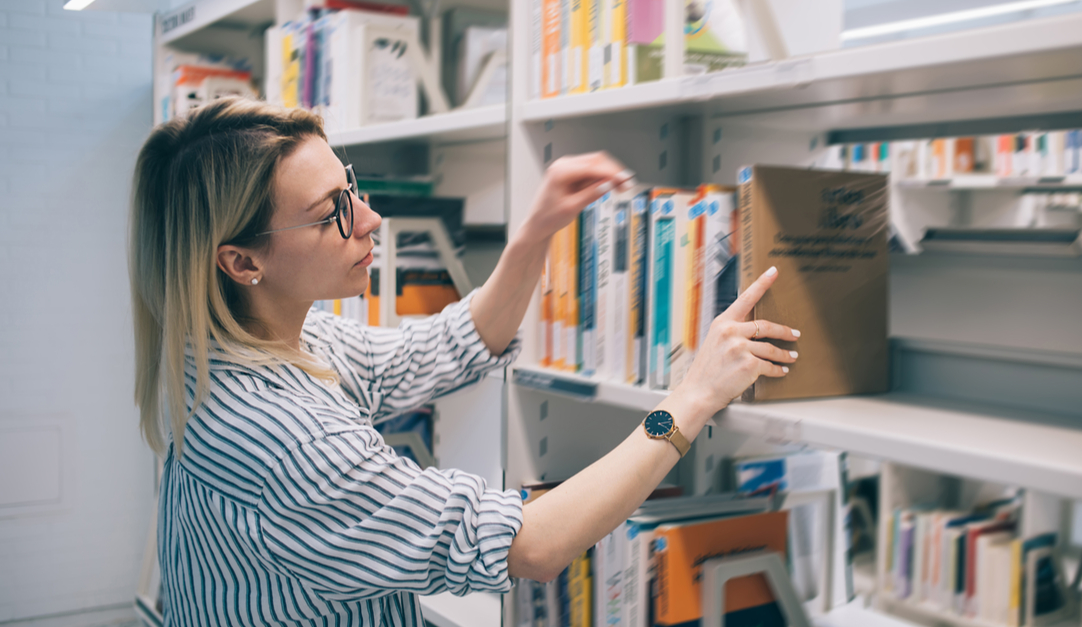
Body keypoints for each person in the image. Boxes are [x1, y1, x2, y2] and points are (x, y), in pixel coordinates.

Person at [130, 97, 798, 625]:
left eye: (351, 187)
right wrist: (690, 398)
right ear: (242, 261)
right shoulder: (280, 433)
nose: (370, 218)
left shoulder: (255, 345)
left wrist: (536, 230)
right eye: (330, 211)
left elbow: (445, 347)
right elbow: (532, 545)